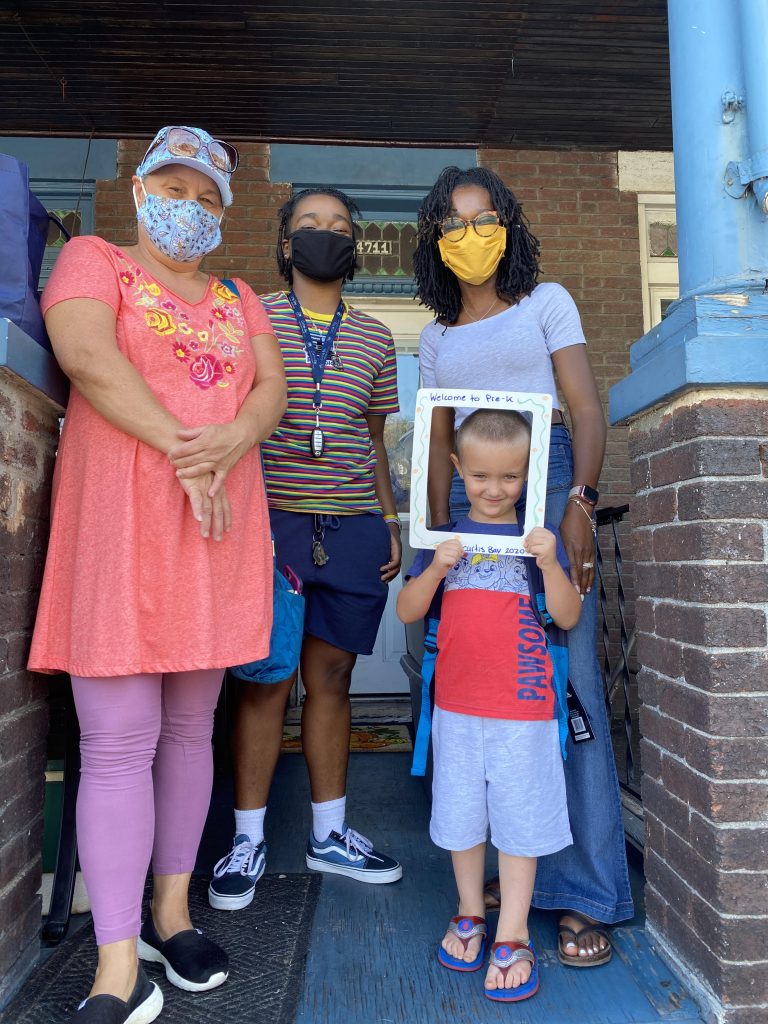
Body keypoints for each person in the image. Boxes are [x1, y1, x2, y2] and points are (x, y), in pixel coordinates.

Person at [28, 125, 286, 1024]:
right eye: (173, 186)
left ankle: (172, 917)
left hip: (216, 532)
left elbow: (269, 391)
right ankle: (114, 962)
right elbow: (86, 357)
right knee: (117, 738)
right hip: (122, 523)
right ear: (139, 191)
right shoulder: (94, 260)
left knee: (189, 730)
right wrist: (192, 452)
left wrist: (234, 439)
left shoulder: (239, 292)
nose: (190, 206)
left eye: (208, 195)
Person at [412, 165, 633, 966]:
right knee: (486, 699)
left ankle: (585, 892)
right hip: (475, 509)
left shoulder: (548, 303)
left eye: (484, 220)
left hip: (546, 491)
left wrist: (577, 501)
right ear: (436, 241)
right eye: (453, 224)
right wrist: (432, 532)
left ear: (508, 225)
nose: (470, 236)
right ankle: (511, 878)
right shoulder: (435, 339)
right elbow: (438, 443)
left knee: (562, 692)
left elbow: (583, 405)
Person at [207, 187, 403, 912]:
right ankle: (248, 839)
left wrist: (388, 519)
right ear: (286, 243)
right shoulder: (247, 316)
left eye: (341, 227)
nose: (327, 235)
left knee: (335, 679)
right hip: (269, 522)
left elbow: (373, 441)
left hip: (350, 524)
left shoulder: (377, 336)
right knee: (263, 680)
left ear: (355, 245)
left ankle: (329, 835)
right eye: (311, 226)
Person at [397, 409, 581, 1001]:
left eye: (509, 478)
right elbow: (407, 610)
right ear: (457, 470)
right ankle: (470, 911)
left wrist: (551, 561)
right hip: (456, 706)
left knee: (520, 823)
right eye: (479, 477)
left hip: (524, 709)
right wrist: (437, 568)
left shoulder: (538, 543)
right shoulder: (444, 539)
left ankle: (514, 931)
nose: (494, 490)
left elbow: (569, 616)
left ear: (528, 475)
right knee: (461, 816)